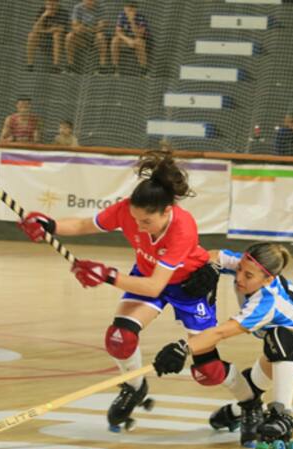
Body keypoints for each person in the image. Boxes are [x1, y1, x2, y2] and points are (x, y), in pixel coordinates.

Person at [17, 150, 233, 432]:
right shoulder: (127, 210)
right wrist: (50, 225)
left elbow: (156, 286)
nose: (139, 227)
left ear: (167, 211)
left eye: (146, 222)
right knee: (120, 338)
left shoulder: (183, 227)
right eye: (135, 219)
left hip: (188, 286)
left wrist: (107, 275)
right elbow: (83, 224)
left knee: (208, 372)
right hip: (146, 275)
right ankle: (134, 387)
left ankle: (249, 401)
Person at [152, 243, 293, 449]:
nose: (239, 278)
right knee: (248, 390)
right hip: (282, 350)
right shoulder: (249, 265)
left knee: (280, 336)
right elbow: (214, 255)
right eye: (239, 270)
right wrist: (211, 268)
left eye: (248, 276)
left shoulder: (267, 300)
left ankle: (282, 416)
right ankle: (237, 412)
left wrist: (183, 348)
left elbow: (221, 332)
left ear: (268, 279)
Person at [65, 0, 108, 73]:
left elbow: (102, 26)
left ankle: (102, 66)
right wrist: (82, 29)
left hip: (94, 37)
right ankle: (70, 65)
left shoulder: (100, 8)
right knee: (69, 36)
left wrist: (86, 29)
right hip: (82, 38)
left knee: (101, 36)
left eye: (91, 0)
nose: (89, 2)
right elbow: (74, 25)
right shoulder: (78, 7)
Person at [26, 0, 69, 72]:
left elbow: (61, 29)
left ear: (57, 3)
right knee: (31, 35)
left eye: (53, 3)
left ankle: (56, 66)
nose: (50, 5)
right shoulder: (42, 10)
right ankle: (30, 65)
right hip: (44, 38)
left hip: (59, 40)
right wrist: (43, 16)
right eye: (48, 3)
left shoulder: (63, 12)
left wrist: (43, 30)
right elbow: (35, 29)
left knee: (57, 35)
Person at [110, 1, 149, 75]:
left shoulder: (140, 17)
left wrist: (132, 21)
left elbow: (139, 35)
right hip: (126, 39)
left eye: (131, 8)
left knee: (139, 42)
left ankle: (144, 69)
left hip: (138, 39)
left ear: (135, 9)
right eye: (126, 7)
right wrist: (127, 40)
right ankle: (115, 68)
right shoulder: (122, 15)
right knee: (115, 40)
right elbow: (118, 32)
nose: (128, 10)